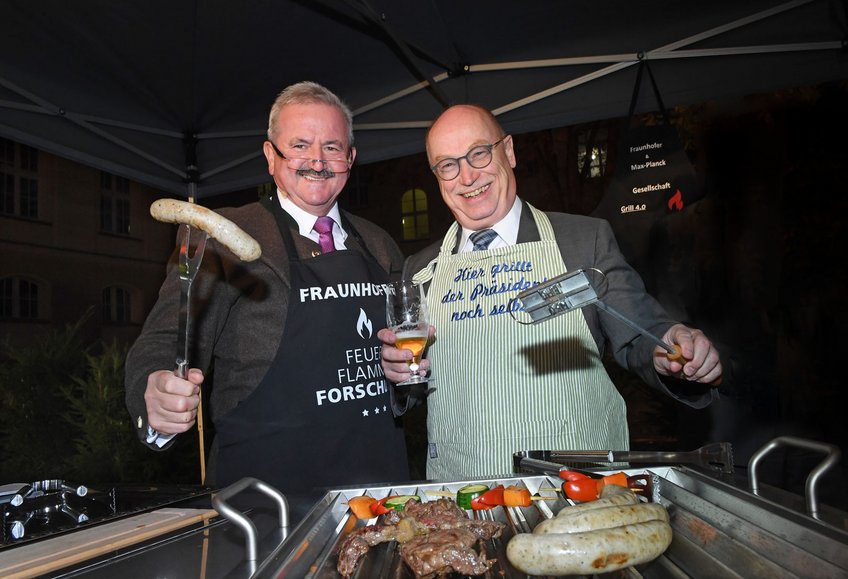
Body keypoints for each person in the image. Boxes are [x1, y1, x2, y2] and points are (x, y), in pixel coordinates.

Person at [379, 104, 723, 481]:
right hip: (466, 494)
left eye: (479, 153)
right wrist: (397, 375)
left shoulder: (582, 240)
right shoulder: (420, 270)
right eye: (448, 164)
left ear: (508, 151)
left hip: (576, 492)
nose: (467, 176)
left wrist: (672, 345)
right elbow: (411, 384)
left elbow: (641, 331)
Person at [125, 81, 409, 521]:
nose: (317, 161)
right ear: (270, 155)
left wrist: (407, 380)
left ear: (350, 159)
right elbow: (166, 338)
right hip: (267, 501)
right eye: (299, 145)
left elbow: (406, 365)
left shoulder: (380, 243)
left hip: (378, 492)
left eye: (332, 147)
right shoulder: (221, 235)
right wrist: (155, 395)